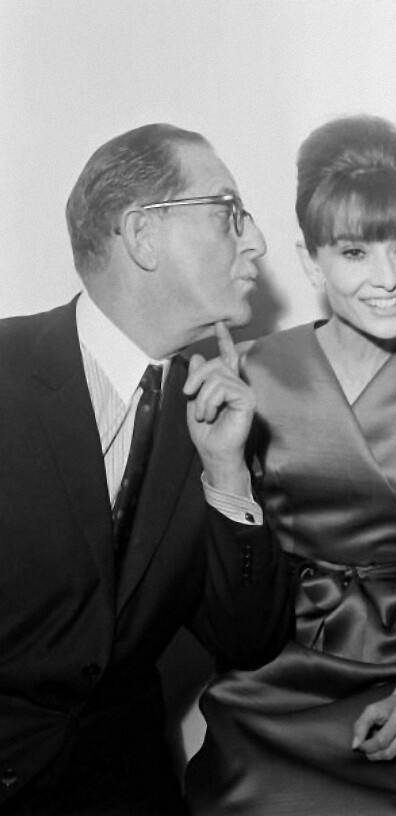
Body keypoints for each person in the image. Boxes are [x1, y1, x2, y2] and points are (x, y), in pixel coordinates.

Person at [185, 115, 396, 816]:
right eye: (354, 252)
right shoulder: (251, 370)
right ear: (311, 262)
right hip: (275, 665)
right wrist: (221, 459)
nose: (387, 280)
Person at [0, 123, 293, 816]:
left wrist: (227, 473)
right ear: (142, 234)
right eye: (228, 212)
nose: (256, 242)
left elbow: (248, 640)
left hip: (124, 788)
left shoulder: (215, 414)